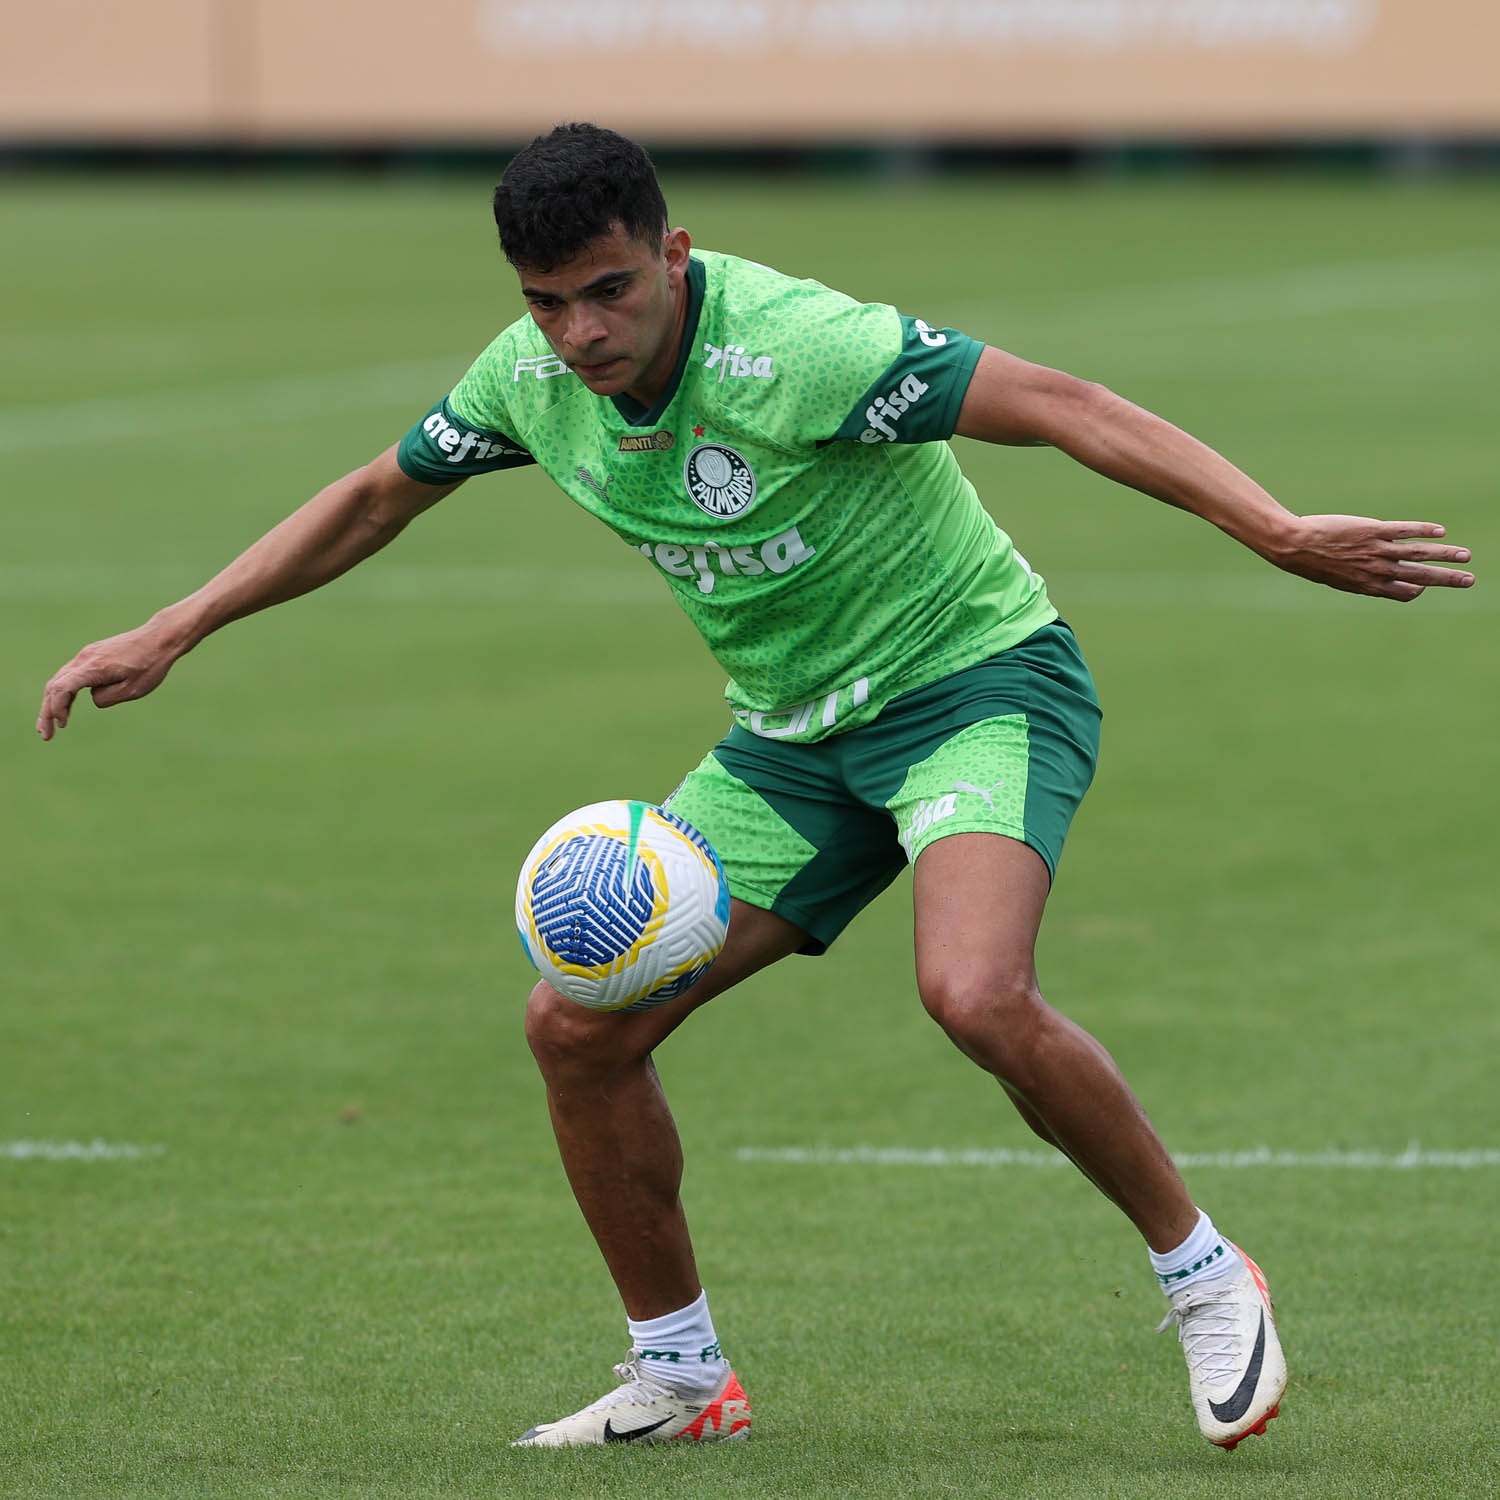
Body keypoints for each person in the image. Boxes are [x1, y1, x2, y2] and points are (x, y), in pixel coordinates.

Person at [39, 123, 1475, 1452]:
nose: (580, 332)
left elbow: (1057, 401)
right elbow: (373, 496)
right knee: (576, 1029)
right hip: (792, 746)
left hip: (975, 684)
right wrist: (178, 623)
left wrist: (1273, 526)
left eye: (608, 290)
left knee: (973, 993)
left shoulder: (802, 345)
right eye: (548, 302)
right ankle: (679, 1373)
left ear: (673, 253)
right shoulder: (531, 382)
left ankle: (1208, 1273)